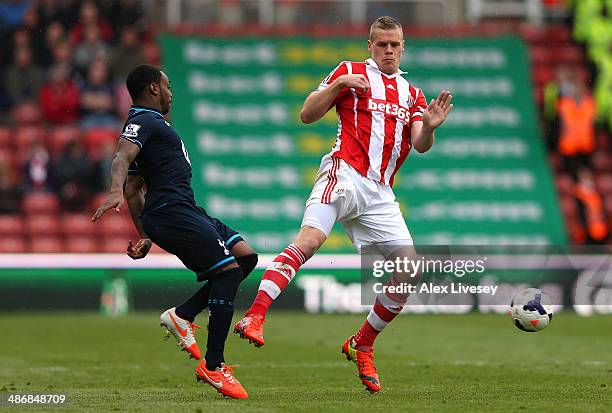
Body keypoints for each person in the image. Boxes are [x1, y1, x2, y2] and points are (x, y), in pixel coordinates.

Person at [234, 16, 453, 393]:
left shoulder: (412, 94)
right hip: (344, 171)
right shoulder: (349, 71)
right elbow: (306, 115)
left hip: (380, 193)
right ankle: (254, 317)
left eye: (395, 45)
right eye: (382, 44)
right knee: (310, 241)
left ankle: (362, 343)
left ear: (403, 48)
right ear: (370, 46)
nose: (388, 50)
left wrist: (430, 127)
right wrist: (336, 85)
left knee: (409, 270)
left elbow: (419, 144)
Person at [92, 64, 257, 399]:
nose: (171, 92)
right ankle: (213, 365)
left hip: (181, 210)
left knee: (245, 258)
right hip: (172, 211)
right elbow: (121, 159)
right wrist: (112, 190)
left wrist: (146, 235)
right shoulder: (142, 119)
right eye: (167, 86)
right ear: (153, 88)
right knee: (226, 273)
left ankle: (182, 315)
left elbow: (135, 188)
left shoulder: (153, 127)